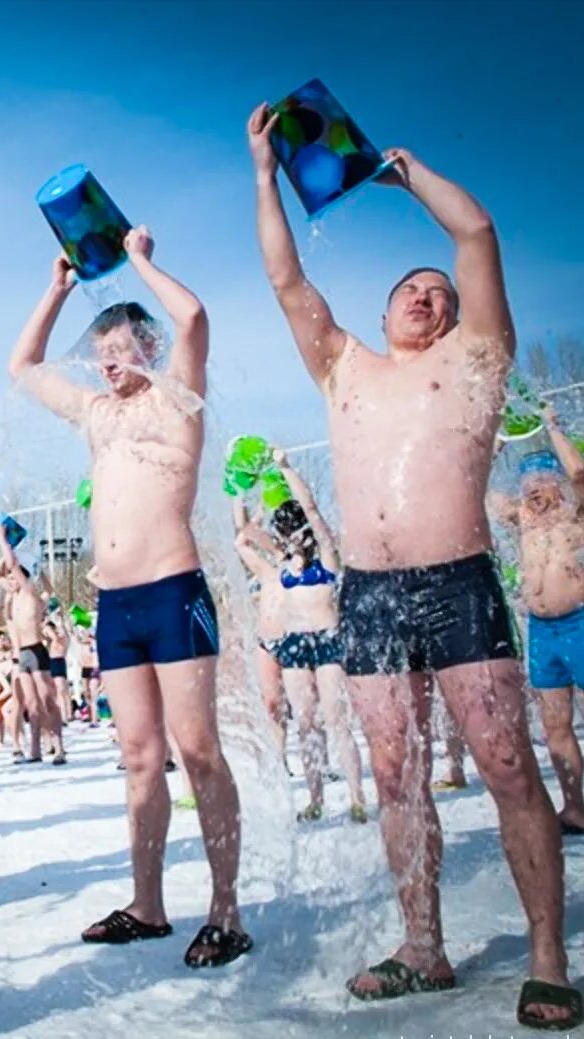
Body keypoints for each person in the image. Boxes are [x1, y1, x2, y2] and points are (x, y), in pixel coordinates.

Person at [250, 109, 577, 1028]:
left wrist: (404, 175)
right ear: (387, 310)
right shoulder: (344, 368)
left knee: (509, 766)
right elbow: (284, 278)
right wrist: (263, 169)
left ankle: (546, 955)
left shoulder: (478, 360)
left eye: (439, 291)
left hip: (458, 582)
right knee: (395, 778)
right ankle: (421, 947)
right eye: (410, 291)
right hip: (371, 596)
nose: (426, 298)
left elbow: (474, 230)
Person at [9, 228, 248, 966]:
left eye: (123, 343)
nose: (110, 356)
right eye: (101, 346)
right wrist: (54, 289)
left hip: (174, 591)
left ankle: (225, 910)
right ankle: (147, 904)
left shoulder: (176, 398)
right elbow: (21, 367)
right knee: (139, 756)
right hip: (114, 606)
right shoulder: (96, 415)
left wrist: (139, 260)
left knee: (197, 749)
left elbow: (195, 318)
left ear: (146, 348)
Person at [233, 456, 367, 824]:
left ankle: (357, 797)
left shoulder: (326, 557)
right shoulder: (281, 561)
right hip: (294, 643)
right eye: (284, 533)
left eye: (292, 532)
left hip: (327, 640)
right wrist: (242, 488)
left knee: (337, 721)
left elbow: (311, 508)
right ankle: (315, 798)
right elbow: (243, 533)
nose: (288, 539)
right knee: (306, 722)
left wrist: (288, 469)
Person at [490, 405, 584, 834]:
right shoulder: (523, 521)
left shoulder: (574, 516)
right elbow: (482, 496)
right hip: (542, 634)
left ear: (557, 484)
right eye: (526, 483)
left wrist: (552, 425)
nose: (532, 491)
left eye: (541, 482)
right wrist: (494, 442)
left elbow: (580, 473)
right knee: (554, 724)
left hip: (580, 623)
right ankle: (576, 806)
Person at [0, 526, 64, 765]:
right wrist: (4, 553)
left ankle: (58, 746)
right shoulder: (12, 599)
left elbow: (14, 567)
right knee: (31, 705)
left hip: (36, 650)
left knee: (46, 700)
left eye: (14, 578)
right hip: (21, 655)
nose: (10, 581)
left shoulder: (31, 593)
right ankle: (35, 749)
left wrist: (3, 541)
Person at [232, 498, 288, 758]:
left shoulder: (299, 571)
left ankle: (320, 762)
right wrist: (259, 508)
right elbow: (242, 540)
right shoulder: (267, 571)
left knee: (306, 707)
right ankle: (280, 758)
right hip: (267, 641)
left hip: (295, 639)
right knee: (271, 704)